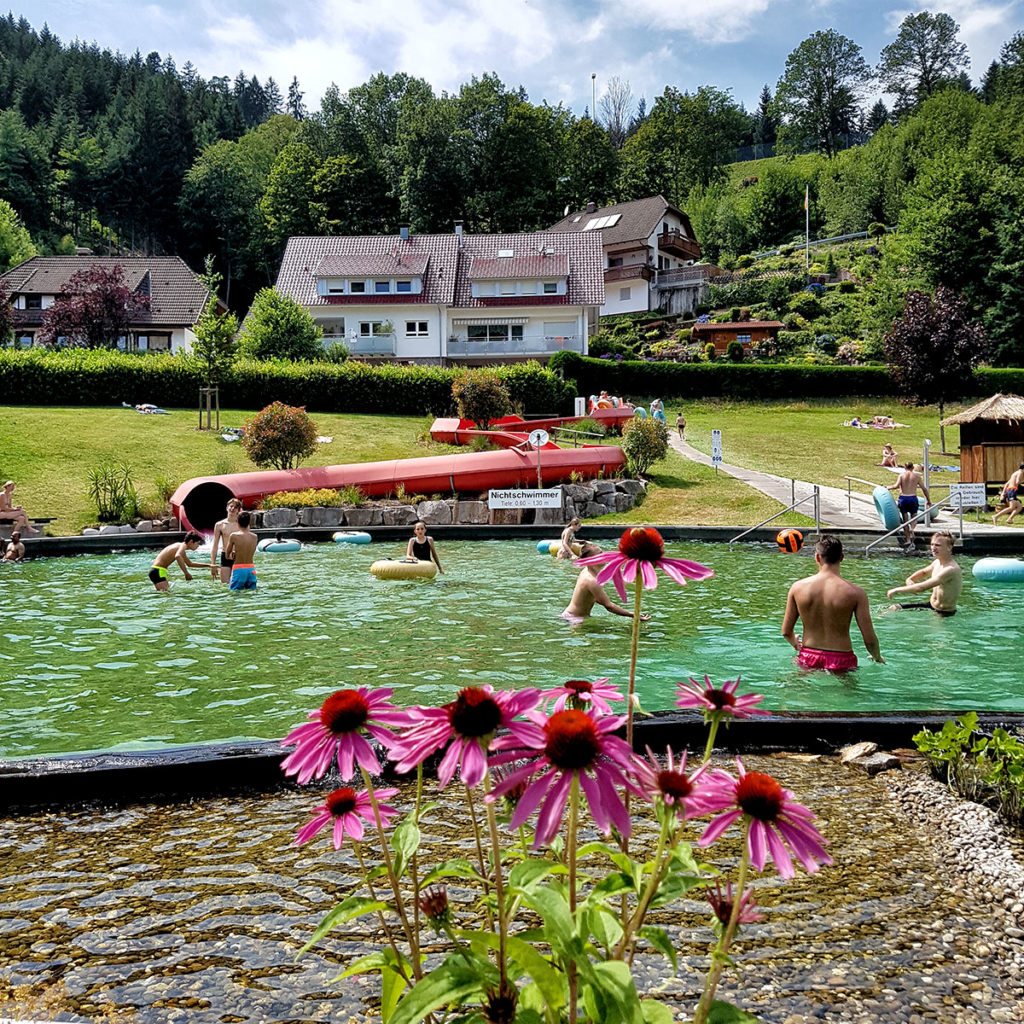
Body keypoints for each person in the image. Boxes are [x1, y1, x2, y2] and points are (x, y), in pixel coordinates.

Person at [782, 534, 884, 671]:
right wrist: (877, 657)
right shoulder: (856, 593)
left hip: (808, 656)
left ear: (817, 557)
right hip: (842, 658)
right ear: (841, 557)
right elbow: (869, 639)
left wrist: (795, 643)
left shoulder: (797, 588)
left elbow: (786, 632)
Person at [561, 542, 652, 625]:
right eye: (600, 554)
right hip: (574, 619)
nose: (604, 556)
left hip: (574, 616)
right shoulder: (591, 581)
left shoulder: (588, 571)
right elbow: (609, 606)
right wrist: (634, 615)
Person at [886, 531, 962, 616]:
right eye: (932, 544)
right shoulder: (937, 562)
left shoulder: (950, 569)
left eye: (937, 545)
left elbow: (921, 588)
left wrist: (896, 590)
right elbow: (924, 572)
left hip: (944, 613)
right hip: (931, 605)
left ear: (949, 547)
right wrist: (910, 579)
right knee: (895, 608)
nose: (933, 548)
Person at [889, 462, 930, 548]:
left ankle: (907, 539)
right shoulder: (917, 477)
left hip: (903, 498)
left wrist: (887, 488)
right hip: (912, 498)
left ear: (905, 467)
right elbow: (924, 489)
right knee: (914, 517)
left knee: (905, 520)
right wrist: (928, 500)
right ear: (912, 468)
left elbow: (896, 486)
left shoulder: (901, 475)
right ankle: (912, 529)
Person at [209, 497, 243, 583]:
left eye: (235, 507)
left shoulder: (242, 524)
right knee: (225, 584)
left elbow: (247, 541)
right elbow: (215, 545)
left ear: (238, 510)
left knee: (239, 585)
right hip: (225, 555)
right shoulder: (219, 525)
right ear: (227, 508)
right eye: (231, 506)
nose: (232, 508)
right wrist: (212, 563)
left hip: (238, 555)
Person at [225, 511, 259, 590]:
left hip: (239, 568)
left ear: (238, 523)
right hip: (251, 569)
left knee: (235, 593)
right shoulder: (255, 537)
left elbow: (227, 555)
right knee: (251, 592)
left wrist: (232, 555)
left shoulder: (234, 536)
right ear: (249, 523)